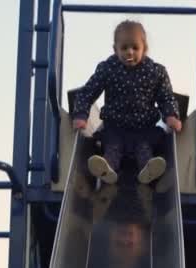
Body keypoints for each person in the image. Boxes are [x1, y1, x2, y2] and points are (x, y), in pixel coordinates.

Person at [72, 20, 183, 185]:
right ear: (115, 49)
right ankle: (107, 169)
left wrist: (171, 116)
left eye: (135, 48)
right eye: (124, 48)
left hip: (143, 128)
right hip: (115, 127)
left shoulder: (155, 72)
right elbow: (88, 91)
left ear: (144, 48)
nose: (129, 52)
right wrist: (81, 114)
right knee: (112, 148)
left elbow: (166, 97)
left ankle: (148, 169)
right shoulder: (108, 68)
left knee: (144, 148)